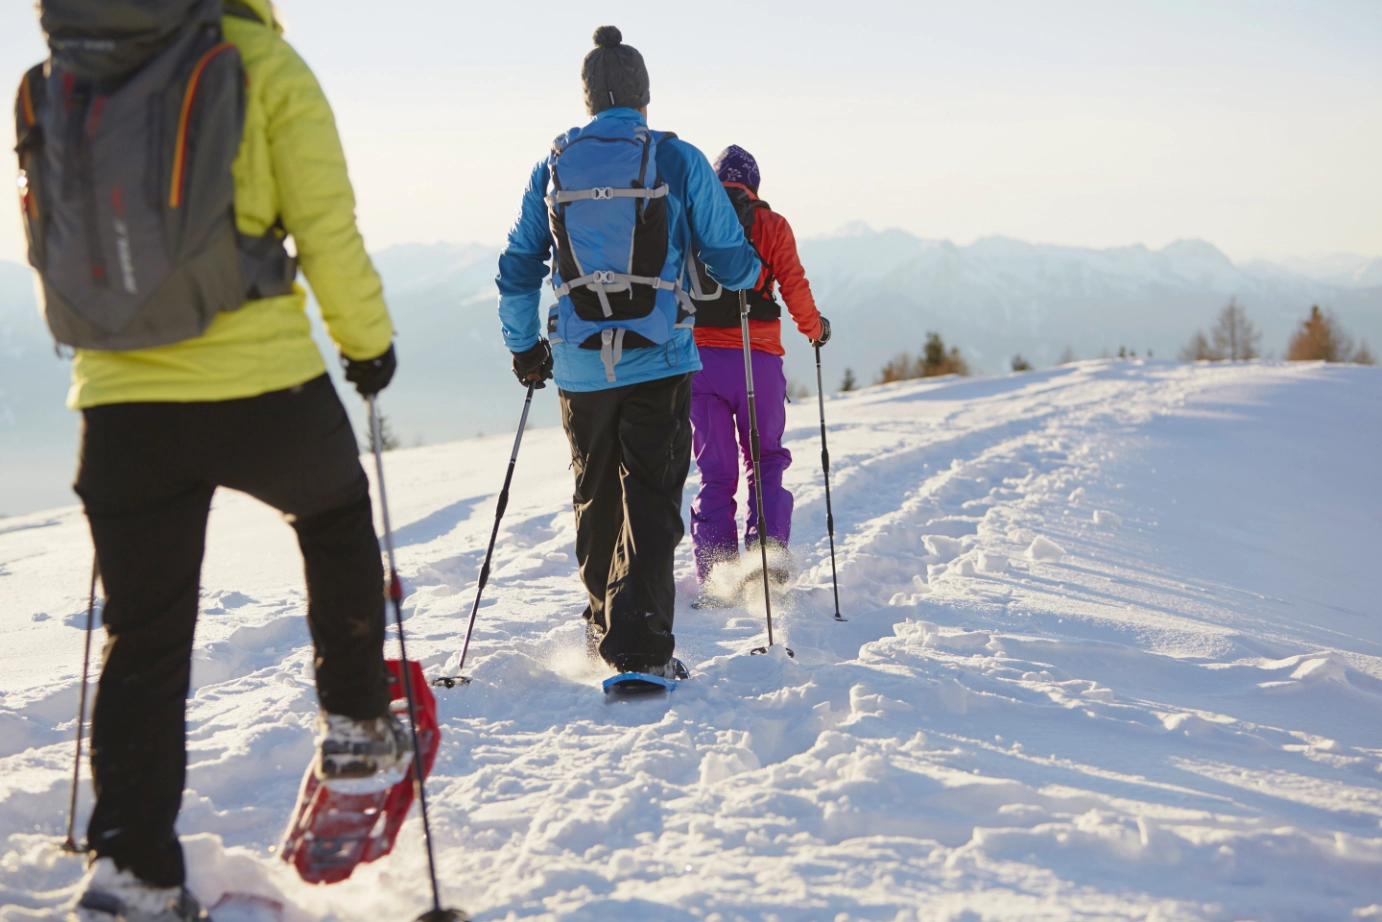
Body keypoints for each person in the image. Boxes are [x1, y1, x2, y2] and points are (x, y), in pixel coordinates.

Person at [19, 2, 405, 919]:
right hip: (260, 387)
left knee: (144, 636)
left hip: (119, 407)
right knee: (335, 517)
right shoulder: (260, 59)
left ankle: (130, 870)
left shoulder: (62, 72)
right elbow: (326, 224)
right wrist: (366, 343)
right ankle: (357, 723)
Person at [497, 26, 761, 678]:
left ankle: (601, 635)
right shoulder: (678, 159)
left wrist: (525, 347)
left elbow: (519, 265)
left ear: (588, 98)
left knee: (595, 496)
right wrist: (750, 270)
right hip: (660, 357)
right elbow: (729, 259)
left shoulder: (554, 165)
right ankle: (640, 652)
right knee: (650, 497)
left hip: (580, 362)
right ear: (644, 95)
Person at [684, 145, 831, 603]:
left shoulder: (692, 221)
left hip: (699, 363)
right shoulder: (772, 224)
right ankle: (766, 560)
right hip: (757, 359)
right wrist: (816, 329)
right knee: (765, 458)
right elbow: (794, 285)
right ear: (754, 185)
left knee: (715, 471)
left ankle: (716, 574)